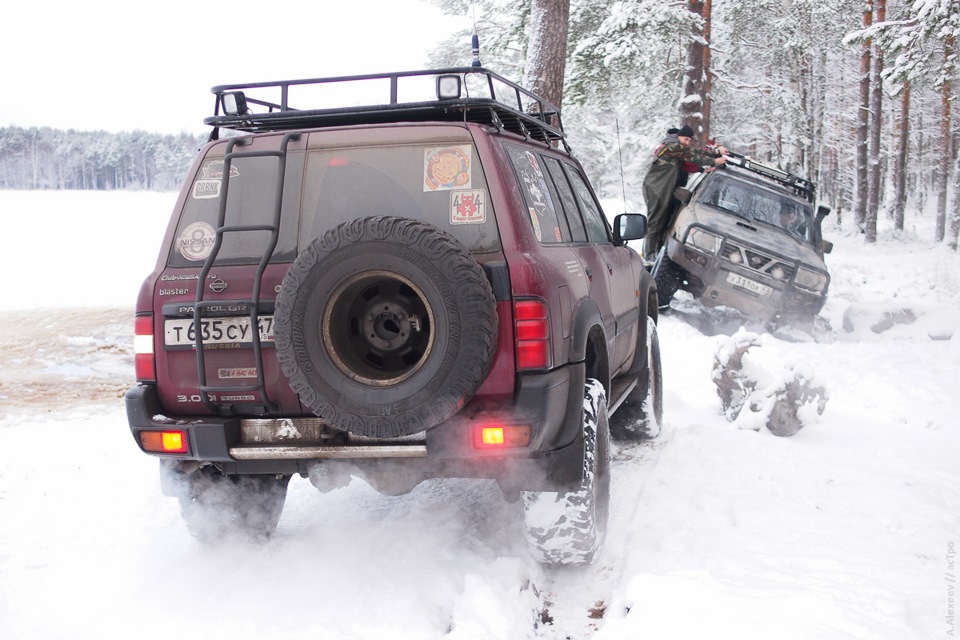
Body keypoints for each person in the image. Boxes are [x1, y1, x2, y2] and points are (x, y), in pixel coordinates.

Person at [642, 125, 728, 262]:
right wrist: (715, 158)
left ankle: (656, 254)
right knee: (655, 222)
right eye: (685, 139)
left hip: (662, 188)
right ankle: (649, 257)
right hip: (657, 189)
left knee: (661, 222)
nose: (687, 142)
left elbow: (693, 153)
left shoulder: (677, 147)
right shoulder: (672, 147)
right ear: (678, 136)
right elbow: (694, 156)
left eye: (689, 140)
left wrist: (713, 153)